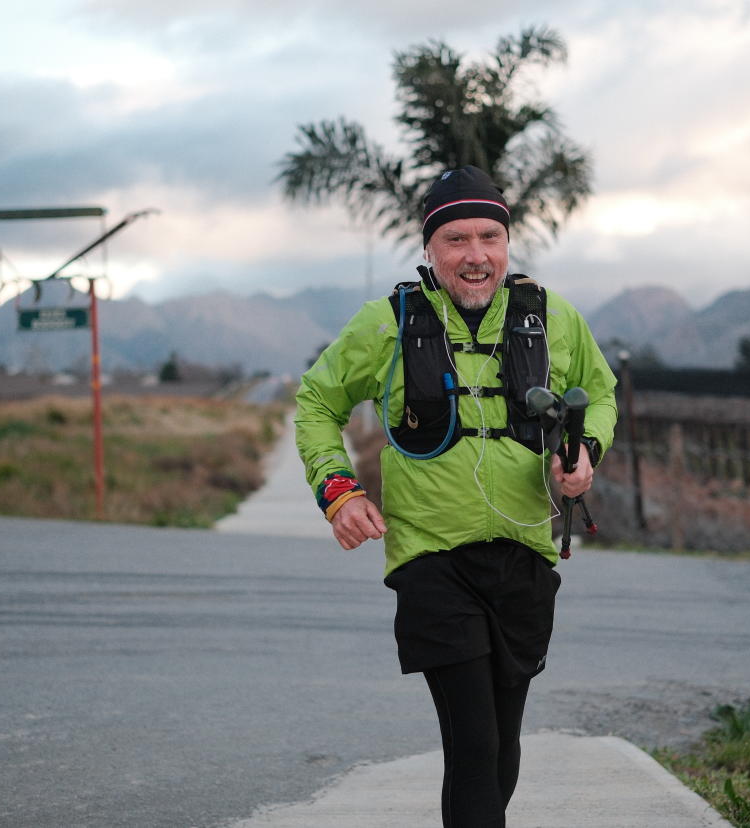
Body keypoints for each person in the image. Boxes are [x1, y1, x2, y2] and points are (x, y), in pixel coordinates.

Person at [294, 165, 618, 827]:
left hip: (524, 554)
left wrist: (585, 453)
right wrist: (339, 489)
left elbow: (602, 393)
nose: (475, 256)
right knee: (471, 744)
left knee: (501, 744)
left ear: (507, 244)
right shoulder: (387, 324)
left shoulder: (551, 318)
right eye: (456, 240)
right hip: (431, 560)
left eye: (489, 238)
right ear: (430, 250)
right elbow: (316, 403)